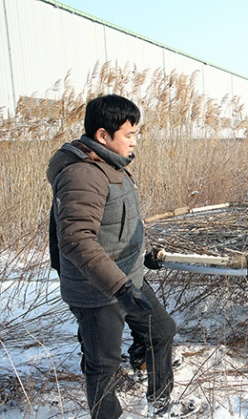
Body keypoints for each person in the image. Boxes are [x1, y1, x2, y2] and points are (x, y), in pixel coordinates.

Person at [47, 94, 178, 418]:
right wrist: (120, 287)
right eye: (129, 134)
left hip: (126, 278)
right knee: (103, 365)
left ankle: (160, 404)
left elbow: (120, 221)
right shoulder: (83, 174)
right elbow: (76, 239)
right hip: (97, 291)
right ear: (103, 135)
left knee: (161, 331)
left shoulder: (109, 164)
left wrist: (144, 252)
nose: (134, 141)